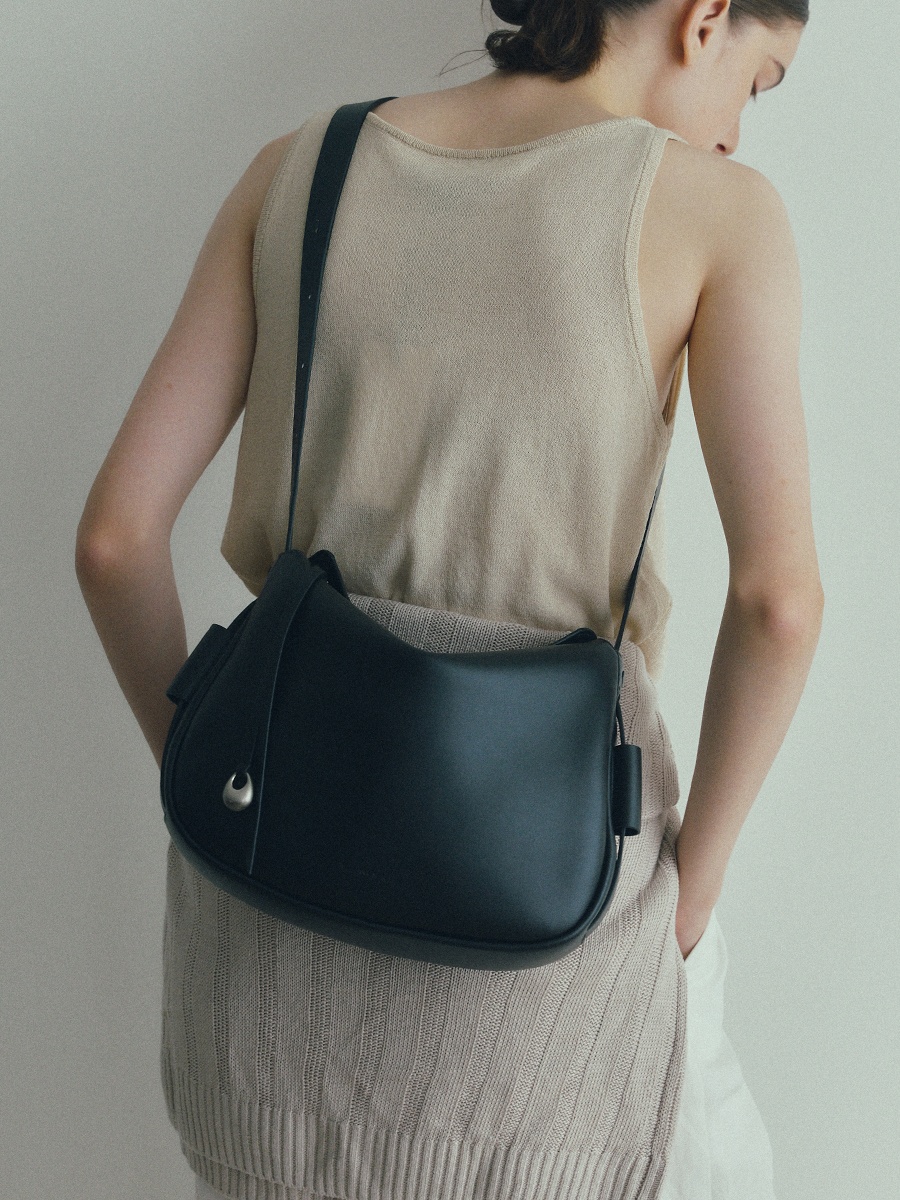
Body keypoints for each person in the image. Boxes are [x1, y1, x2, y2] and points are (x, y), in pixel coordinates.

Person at [75, 1, 824, 1198]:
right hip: (544, 973)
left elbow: (115, 540)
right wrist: (698, 880)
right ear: (706, 18)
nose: (738, 130)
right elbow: (780, 602)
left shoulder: (297, 168)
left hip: (261, 971)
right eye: (761, 80)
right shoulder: (719, 212)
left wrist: (213, 762)